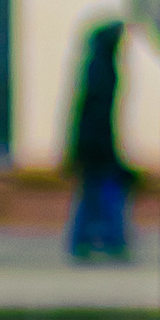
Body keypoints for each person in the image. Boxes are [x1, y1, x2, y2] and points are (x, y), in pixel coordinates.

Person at [65, 15, 134, 260]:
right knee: (107, 196)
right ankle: (111, 241)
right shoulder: (103, 71)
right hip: (98, 148)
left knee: (92, 196)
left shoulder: (95, 67)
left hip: (92, 147)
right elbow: (98, 117)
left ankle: (84, 241)